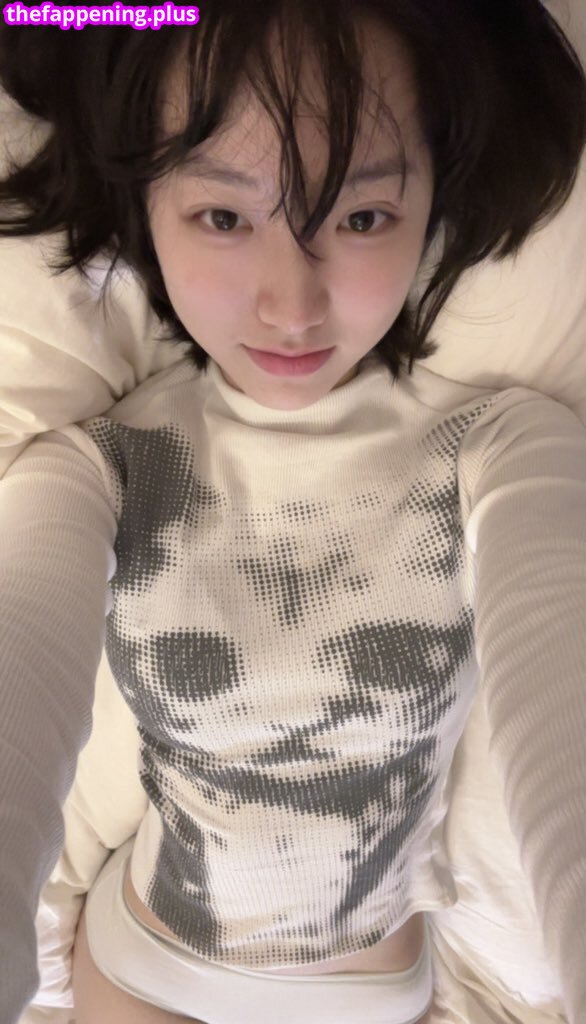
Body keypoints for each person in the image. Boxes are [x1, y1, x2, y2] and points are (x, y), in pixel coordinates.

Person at [0, 2, 585, 1023]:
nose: (291, 305)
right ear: (147, 206)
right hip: (147, 962)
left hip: (375, 986)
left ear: (430, 202)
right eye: (223, 218)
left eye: (360, 218)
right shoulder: (96, 470)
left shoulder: (500, 451)